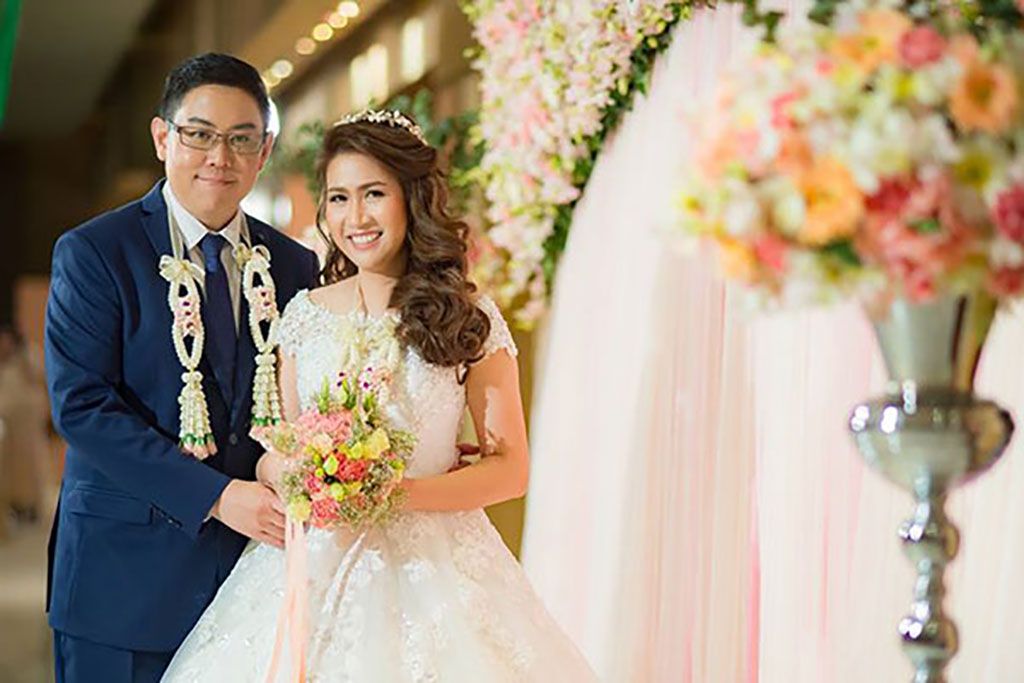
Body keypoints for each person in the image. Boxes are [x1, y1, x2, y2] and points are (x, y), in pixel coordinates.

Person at [161, 110, 597, 681]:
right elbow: (276, 447)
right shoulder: (303, 315)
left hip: (437, 568)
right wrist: (293, 474)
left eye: (374, 194)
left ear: (411, 199)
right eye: (339, 198)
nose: (356, 218)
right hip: (311, 561)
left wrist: (392, 493)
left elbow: (510, 469)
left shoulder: (469, 317)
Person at [44, 53, 320, 682]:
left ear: (265, 150)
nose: (219, 157)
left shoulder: (294, 266)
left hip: (252, 585)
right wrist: (218, 497)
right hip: (123, 585)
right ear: (162, 138)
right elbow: (82, 408)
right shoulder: (96, 253)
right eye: (199, 134)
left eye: (241, 139)